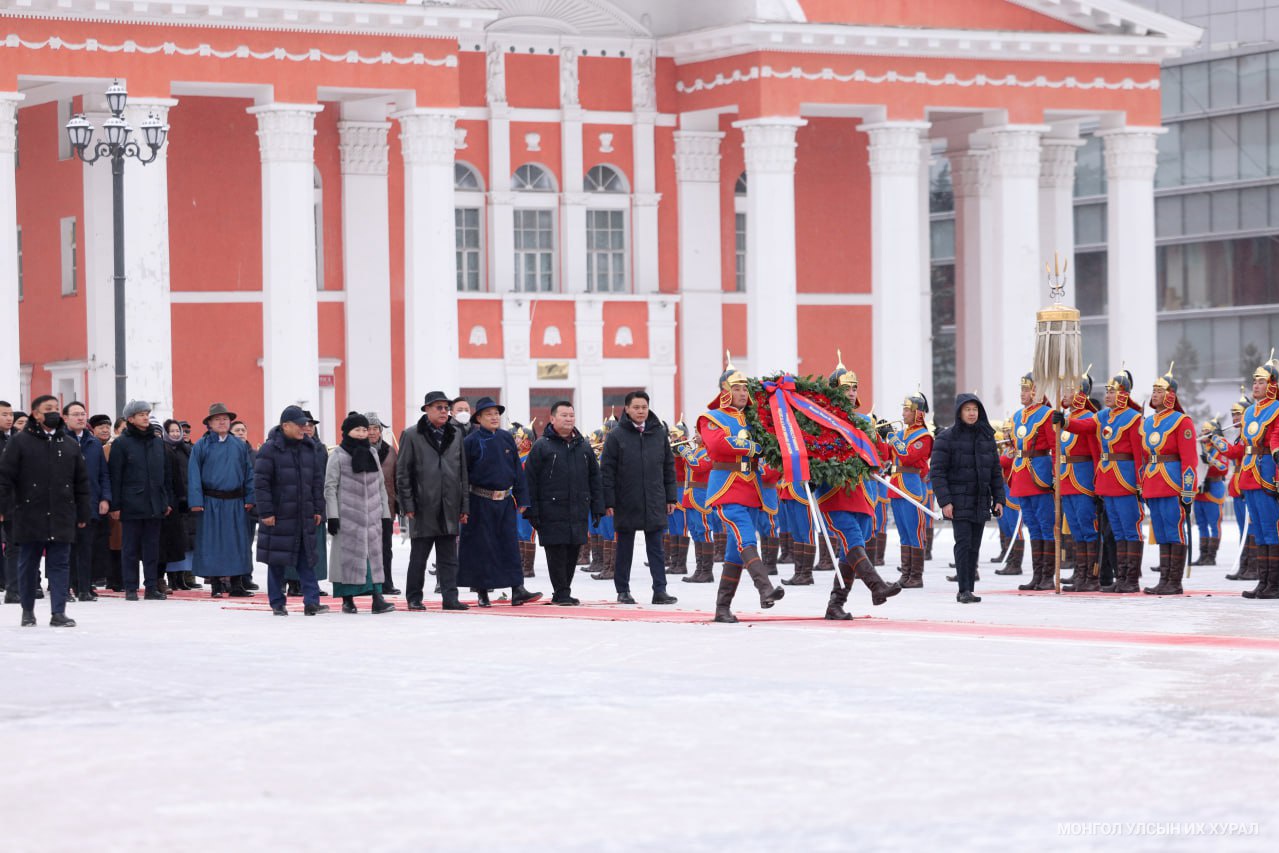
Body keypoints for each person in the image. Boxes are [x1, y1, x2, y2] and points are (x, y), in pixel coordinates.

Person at [699, 356, 784, 623]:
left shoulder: (754, 421)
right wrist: (751, 447)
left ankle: (722, 608)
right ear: (724, 390)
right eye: (736, 388)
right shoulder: (711, 417)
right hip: (727, 487)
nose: (741, 393)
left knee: (735, 552)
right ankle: (765, 586)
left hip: (752, 489)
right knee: (747, 538)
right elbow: (717, 446)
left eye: (744, 388)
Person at [0, 394, 91, 626]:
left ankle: (58, 612)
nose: (53, 412)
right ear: (36, 414)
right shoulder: (20, 442)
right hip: (29, 514)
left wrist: (82, 513)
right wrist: (5, 508)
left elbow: (81, 482)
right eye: (47, 408)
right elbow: (5, 478)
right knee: (28, 563)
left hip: (62, 514)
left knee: (60, 563)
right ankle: (28, 610)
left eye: (56, 408)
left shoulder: (68, 444)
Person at [457, 397, 542, 606]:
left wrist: (523, 498)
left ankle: (517, 589)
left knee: (509, 546)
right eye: (489, 414)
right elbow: (463, 476)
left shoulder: (506, 438)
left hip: (505, 502)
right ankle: (483, 592)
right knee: (483, 547)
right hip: (480, 501)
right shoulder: (470, 442)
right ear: (479, 418)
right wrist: (464, 506)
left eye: (496, 413)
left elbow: (517, 471)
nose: (494, 417)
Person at [600, 390, 679, 605]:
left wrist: (671, 497)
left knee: (657, 548)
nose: (640, 411)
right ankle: (623, 590)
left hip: (654, 498)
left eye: (644, 407)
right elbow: (606, 470)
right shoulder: (617, 435)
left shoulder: (659, 433)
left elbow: (668, 467)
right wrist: (609, 501)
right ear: (627, 409)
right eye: (636, 407)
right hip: (626, 499)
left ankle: (660, 591)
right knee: (624, 548)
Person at [524, 401, 603, 605]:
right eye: (564, 415)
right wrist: (532, 509)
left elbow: (595, 477)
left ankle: (564, 590)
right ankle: (561, 591)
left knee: (572, 550)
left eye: (571, 415)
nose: (569, 419)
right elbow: (530, 480)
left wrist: (597, 506)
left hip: (578, 508)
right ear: (552, 419)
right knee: (556, 551)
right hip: (550, 509)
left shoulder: (583, 445)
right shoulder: (542, 445)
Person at [397, 391, 470, 611]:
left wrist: (464, 505)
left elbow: (462, 472)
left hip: (450, 503)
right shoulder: (411, 435)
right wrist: (407, 504)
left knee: (449, 557)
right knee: (419, 556)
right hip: (423, 504)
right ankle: (414, 597)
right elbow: (403, 474)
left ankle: (450, 597)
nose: (443, 411)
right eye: (438, 407)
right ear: (426, 409)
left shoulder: (456, 434)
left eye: (446, 408)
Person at [254, 406, 329, 616]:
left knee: (307, 558)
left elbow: (316, 481)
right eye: (299, 424)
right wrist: (266, 512)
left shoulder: (309, 448)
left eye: (305, 424)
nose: (304, 428)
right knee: (277, 559)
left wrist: (317, 509)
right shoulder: (269, 450)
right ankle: (277, 602)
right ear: (285, 425)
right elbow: (261, 484)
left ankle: (311, 601)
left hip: (303, 514)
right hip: (279, 515)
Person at [931, 394, 1004, 604]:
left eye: (975, 409)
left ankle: (969, 588)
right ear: (959, 412)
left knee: (974, 546)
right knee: (962, 544)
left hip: (980, 499)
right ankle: (963, 589)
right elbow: (937, 472)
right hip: (958, 500)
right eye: (968, 409)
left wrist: (999, 498)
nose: (972, 413)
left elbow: (995, 471)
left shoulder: (986, 437)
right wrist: (945, 501)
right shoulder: (946, 438)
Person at [325, 413, 395, 614]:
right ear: (347, 432)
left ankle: (377, 598)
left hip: (372, 516)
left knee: (374, 558)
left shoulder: (372, 454)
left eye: (365, 430)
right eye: (358, 429)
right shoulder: (337, 455)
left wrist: (385, 514)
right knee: (347, 559)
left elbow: (380, 485)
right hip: (347, 518)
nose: (363, 433)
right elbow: (330, 487)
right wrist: (333, 515)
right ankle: (347, 599)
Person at [1138, 366, 1198, 596]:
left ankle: (1174, 581)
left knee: (1174, 530)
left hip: (1172, 480)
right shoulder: (1148, 422)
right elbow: (1144, 456)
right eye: (1153, 390)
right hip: (1153, 480)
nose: (1154, 394)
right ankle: (1164, 579)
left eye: (1159, 390)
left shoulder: (1182, 421)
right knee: (1161, 532)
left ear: (1170, 394)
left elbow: (1189, 459)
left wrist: (1188, 489)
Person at [1223, 358, 1279, 599]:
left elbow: (1276, 436)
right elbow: (1241, 446)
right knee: (1257, 530)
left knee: (1270, 529)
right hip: (1249, 472)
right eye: (1254, 382)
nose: (1256, 386)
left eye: (1261, 382)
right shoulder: (1248, 412)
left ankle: (1274, 583)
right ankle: (1263, 581)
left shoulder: (1276, 408)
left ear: (1272, 385)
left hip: (1267, 470)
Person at [108, 400, 174, 601]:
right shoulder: (121, 443)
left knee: (152, 548)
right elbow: (115, 476)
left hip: (155, 503)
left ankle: (151, 586)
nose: (146, 417)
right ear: (130, 419)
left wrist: (167, 500)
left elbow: (166, 475)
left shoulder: (157, 442)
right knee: (130, 548)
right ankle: (130, 587)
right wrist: (116, 505)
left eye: (147, 413)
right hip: (131, 503)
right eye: (141, 414)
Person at [188, 403, 255, 598]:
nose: (222, 422)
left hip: (235, 501)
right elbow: (193, 474)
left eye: (225, 419)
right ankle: (216, 583)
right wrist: (196, 500)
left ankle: (236, 583)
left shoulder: (239, 445)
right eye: (217, 419)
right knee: (212, 542)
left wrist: (250, 496)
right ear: (209, 423)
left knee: (237, 542)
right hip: (211, 501)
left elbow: (248, 472)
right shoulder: (201, 445)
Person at [1054, 371, 1101, 593]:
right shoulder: (1067, 416)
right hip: (1066, 478)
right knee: (1074, 529)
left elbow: (1086, 433)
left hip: (1082, 478)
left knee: (1087, 527)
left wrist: (1065, 421)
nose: (1066, 393)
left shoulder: (1089, 416)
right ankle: (1080, 573)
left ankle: (1091, 576)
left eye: (1070, 389)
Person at [1008, 374, 1056, 592]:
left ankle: (1048, 576)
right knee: (1032, 526)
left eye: (1026, 389)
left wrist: (1055, 473)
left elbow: (1055, 446)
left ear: (1036, 391)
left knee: (1045, 525)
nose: (1022, 393)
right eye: (1022, 389)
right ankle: (1037, 575)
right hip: (1021, 472)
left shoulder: (1047, 414)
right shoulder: (1018, 416)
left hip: (1039, 470)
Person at [63, 401, 110, 602]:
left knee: (86, 547)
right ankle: (65, 587)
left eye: (83, 414)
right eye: (75, 414)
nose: (81, 418)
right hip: (65, 504)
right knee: (66, 549)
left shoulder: (93, 443)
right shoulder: (59, 441)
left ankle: (84, 587)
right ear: (65, 418)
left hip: (89, 502)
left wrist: (105, 498)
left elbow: (103, 475)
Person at [887, 390, 933, 588]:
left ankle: (916, 576)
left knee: (914, 531)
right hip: (897, 484)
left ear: (918, 413)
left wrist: (892, 438)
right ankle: (905, 574)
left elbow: (907, 456)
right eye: (904, 409)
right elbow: (889, 456)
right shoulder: (901, 433)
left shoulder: (924, 436)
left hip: (912, 486)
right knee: (903, 533)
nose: (903, 413)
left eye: (907, 410)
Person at [286, 411, 329, 595]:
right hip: (295, 504)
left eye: (311, 425)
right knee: (294, 544)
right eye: (305, 425)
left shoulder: (321, 449)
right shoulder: (290, 447)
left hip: (316, 504)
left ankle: (313, 582)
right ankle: (294, 583)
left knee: (316, 547)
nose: (308, 428)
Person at [365, 412, 401, 595]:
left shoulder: (390, 452)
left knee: (386, 548)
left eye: (375, 428)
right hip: (363, 508)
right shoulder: (356, 451)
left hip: (386, 506)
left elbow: (396, 479)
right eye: (368, 428)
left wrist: (399, 505)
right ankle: (367, 584)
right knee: (365, 548)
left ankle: (386, 582)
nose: (372, 432)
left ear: (380, 431)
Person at [158, 419, 195, 594]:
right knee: (170, 541)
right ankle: (170, 577)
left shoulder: (186, 450)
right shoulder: (163, 449)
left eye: (176, 430)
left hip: (184, 500)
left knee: (184, 541)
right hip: (170, 502)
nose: (175, 434)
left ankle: (182, 576)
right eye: (171, 431)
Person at [1192, 417, 1229, 566]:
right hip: (1200, 489)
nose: (1203, 433)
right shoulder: (1198, 447)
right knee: (1201, 524)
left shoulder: (1220, 448)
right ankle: (1203, 555)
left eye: (1207, 431)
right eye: (1202, 430)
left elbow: (1224, 468)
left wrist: (1211, 460)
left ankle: (1211, 556)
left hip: (1214, 488)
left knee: (1214, 524)